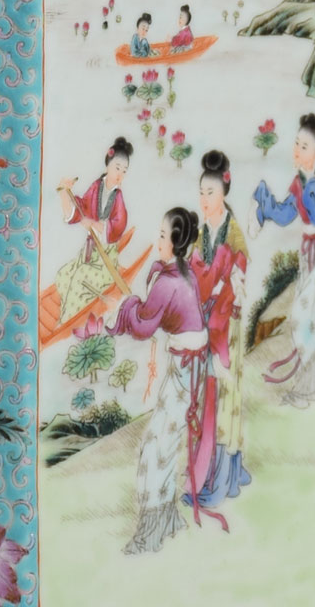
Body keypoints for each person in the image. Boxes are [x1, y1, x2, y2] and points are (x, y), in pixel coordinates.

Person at [108, 207, 214, 554]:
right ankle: (166, 520)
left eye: (163, 235)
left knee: (155, 449)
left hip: (185, 369)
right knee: (165, 445)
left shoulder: (169, 282)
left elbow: (143, 326)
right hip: (190, 366)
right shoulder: (183, 274)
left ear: (175, 243)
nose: (158, 240)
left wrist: (128, 306)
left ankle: (150, 531)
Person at [250, 114, 315, 408]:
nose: (296, 150)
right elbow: (285, 215)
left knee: (302, 316)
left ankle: (312, 382)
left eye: (304, 146)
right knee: (307, 314)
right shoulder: (300, 182)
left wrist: (314, 187)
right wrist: (263, 207)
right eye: (296, 144)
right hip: (309, 253)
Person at [187, 150, 252, 517]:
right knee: (206, 399)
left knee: (226, 398)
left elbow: (237, 275)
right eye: (201, 193)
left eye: (210, 193)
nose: (204, 199)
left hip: (227, 322)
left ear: (223, 192)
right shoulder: (201, 233)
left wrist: (220, 294)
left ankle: (223, 479)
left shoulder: (233, 232)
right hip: (207, 319)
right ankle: (204, 476)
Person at [53, 138, 132, 325]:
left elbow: (118, 225)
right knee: (63, 276)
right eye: (117, 167)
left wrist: (94, 225)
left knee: (79, 279)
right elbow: (82, 208)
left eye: (124, 170)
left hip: (105, 257)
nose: (120, 174)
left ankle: (65, 322)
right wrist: (64, 193)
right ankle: (68, 314)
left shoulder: (118, 197)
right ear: (108, 165)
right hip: (89, 252)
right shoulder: (97, 186)